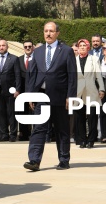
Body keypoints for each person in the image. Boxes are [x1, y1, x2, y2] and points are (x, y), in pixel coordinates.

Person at [23, 22, 77, 171]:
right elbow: (32, 74)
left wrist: (70, 97)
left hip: (60, 97)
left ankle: (64, 159)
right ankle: (34, 160)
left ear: (57, 33)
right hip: (41, 96)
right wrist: (30, 95)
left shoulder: (66, 51)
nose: (48, 34)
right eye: (46, 31)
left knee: (61, 130)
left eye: (51, 31)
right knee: (38, 129)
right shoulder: (38, 51)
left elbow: (72, 76)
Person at [73, 39, 105, 148]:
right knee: (79, 117)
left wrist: (101, 89)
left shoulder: (94, 59)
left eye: (84, 45)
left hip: (91, 91)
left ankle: (91, 139)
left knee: (92, 117)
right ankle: (82, 140)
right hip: (78, 92)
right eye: (80, 45)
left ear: (88, 47)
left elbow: (98, 76)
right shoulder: (74, 60)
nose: (82, 47)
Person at [0, 39, 21, 142]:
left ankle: (13, 134)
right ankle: (4, 134)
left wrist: (18, 89)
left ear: (7, 47)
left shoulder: (14, 59)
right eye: (0, 46)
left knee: (11, 113)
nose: (1, 47)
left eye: (3, 45)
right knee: (0, 113)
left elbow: (17, 75)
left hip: (10, 91)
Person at [17, 40, 35, 141]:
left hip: (34, 90)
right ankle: (24, 133)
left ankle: (34, 133)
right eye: (26, 47)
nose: (27, 48)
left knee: (33, 112)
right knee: (22, 112)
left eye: (29, 46)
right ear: (23, 48)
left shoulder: (37, 59)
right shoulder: (19, 60)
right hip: (22, 90)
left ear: (32, 47)